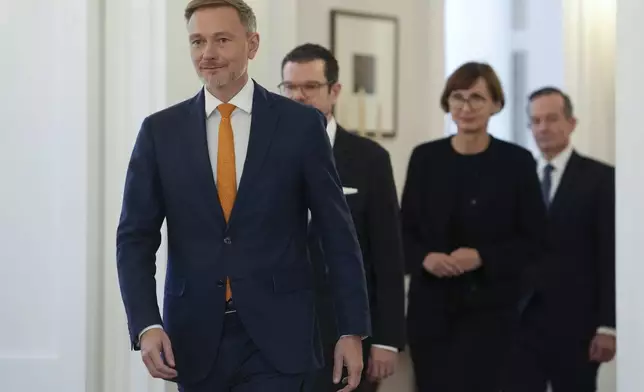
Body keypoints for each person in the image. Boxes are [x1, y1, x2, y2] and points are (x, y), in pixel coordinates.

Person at [115, 1, 371, 391]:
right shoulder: (159, 132)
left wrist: (352, 329)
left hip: (280, 338)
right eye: (197, 41)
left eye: (222, 39)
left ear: (252, 45)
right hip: (194, 337)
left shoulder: (300, 126)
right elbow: (135, 238)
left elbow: (338, 233)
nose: (208, 54)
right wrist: (146, 323)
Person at [400, 61, 547, 392]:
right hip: (432, 317)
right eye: (458, 97)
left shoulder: (518, 162)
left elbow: (535, 241)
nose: (466, 107)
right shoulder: (425, 158)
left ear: (496, 104)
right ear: (447, 103)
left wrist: (482, 257)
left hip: (494, 316)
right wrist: (426, 258)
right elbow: (402, 231)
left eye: (477, 98)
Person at [280, 43, 406, 392]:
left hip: (346, 333)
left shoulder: (369, 159)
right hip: (277, 335)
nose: (298, 96)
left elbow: (388, 255)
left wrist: (387, 339)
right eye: (289, 87)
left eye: (310, 87)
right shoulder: (262, 156)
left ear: (334, 91)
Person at [502, 87, 616, 392]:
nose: (543, 128)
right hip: (521, 325)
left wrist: (608, 326)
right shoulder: (518, 177)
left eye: (551, 119)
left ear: (571, 123)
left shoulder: (602, 179)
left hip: (577, 325)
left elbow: (609, 255)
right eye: (535, 121)